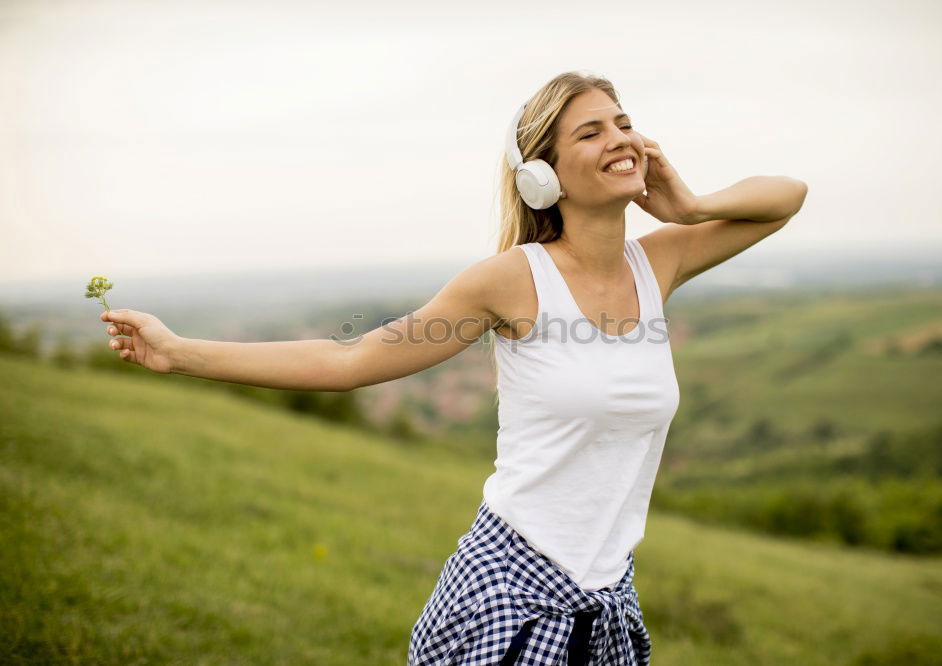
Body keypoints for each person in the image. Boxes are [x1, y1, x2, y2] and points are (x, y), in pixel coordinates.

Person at [100, 70, 808, 665]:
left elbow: (788, 196)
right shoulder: (508, 281)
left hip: (608, 598)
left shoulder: (660, 260)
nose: (619, 138)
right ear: (541, 175)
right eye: (590, 132)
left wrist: (689, 205)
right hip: (509, 592)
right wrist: (178, 353)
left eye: (622, 123)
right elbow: (350, 360)